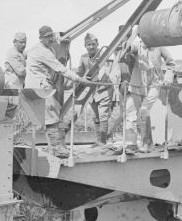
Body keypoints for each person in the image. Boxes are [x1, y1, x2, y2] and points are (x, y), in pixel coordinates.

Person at [25, 25, 91, 157]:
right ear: (41, 38)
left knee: (42, 118)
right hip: (40, 88)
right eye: (47, 37)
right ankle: (57, 149)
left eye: (51, 36)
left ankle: (50, 147)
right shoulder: (43, 52)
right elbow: (60, 68)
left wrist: (58, 38)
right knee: (52, 118)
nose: (50, 39)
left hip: (32, 87)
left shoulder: (36, 48)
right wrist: (79, 79)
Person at [126, 30, 175, 152]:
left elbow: (171, 63)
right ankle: (145, 143)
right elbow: (128, 49)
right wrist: (130, 37)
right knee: (136, 114)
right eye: (141, 35)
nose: (144, 38)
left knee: (144, 110)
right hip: (136, 85)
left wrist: (168, 79)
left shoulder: (159, 46)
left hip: (154, 84)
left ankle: (145, 143)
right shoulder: (136, 45)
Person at [76, 33, 120, 146]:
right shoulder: (83, 57)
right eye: (88, 44)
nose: (91, 47)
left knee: (103, 115)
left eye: (93, 44)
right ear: (85, 46)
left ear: (97, 44)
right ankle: (98, 140)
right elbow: (79, 73)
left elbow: (112, 66)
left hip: (104, 89)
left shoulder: (104, 54)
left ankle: (103, 141)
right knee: (95, 116)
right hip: (92, 91)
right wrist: (81, 78)